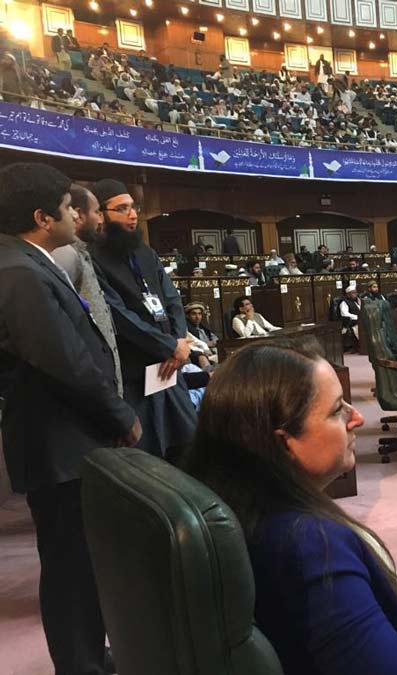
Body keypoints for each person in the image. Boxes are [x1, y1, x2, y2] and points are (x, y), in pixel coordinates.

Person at [179, 340, 397, 674]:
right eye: (337, 409)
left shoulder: (238, 505)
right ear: (284, 442)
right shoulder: (312, 547)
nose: (356, 418)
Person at [0, 163, 140, 675]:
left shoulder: (25, 262)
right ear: (42, 217)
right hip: (60, 446)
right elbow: (66, 362)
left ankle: (87, 657)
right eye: (66, 208)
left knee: (79, 563)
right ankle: (81, 665)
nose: (76, 214)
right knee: (71, 567)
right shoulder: (18, 271)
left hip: (63, 442)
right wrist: (120, 415)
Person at [89, 178, 197, 458]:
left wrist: (179, 341)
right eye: (122, 209)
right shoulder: (93, 259)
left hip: (171, 368)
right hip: (138, 372)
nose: (133, 214)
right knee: (149, 456)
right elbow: (117, 315)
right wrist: (169, 346)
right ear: (101, 214)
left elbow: (171, 298)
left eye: (133, 207)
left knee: (187, 447)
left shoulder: (144, 251)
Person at [51, 184, 123, 395]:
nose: (101, 220)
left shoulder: (83, 252)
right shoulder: (65, 256)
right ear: (79, 215)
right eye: (97, 212)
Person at [339, 284, 362, 349]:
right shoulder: (344, 302)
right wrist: (357, 317)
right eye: (353, 293)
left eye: (356, 292)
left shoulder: (358, 300)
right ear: (348, 294)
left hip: (360, 320)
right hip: (351, 322)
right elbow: (344, 314)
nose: (355, 294)